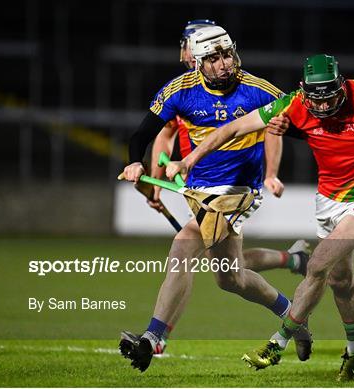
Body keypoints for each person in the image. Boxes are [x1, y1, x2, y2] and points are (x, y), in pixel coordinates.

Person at [165, 54, 354, 381]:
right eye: (314, 99)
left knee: (319, 264)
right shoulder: (294, 105)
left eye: (329, 98)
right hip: (328, 200)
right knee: (340, 281)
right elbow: (232, 128)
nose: (321, 107)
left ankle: (277, 343)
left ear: (342, 87)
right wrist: (189, 160)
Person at [119, 26, 312, 372]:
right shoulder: (180, 91)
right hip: (201, 189)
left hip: (241, 192)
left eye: (227, 55)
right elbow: (143, 134)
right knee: (230, 277)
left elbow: (299, 125)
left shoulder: (257, 90)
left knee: (183, 244)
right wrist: (135, 162)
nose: (224, 64)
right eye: (213, 59)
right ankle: (292, 314)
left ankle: (151, 338)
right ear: (199, 64)